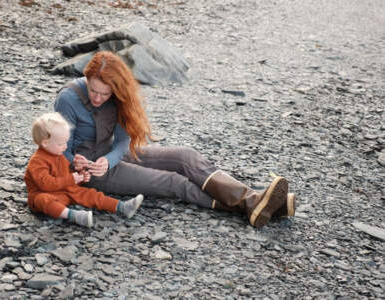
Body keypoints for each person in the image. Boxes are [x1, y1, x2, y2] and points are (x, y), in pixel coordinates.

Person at [54, 51, 296, 228]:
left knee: (185, 157)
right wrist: (76, 164)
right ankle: (260, 205)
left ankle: (254, 201)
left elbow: (121, 141)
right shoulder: (68, 98)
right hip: (89, 173)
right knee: (173, 182)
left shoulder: (118, 97)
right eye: (94, 91)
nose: (98, 98)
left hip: (110, 157)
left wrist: (109, 159)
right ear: (86, 79)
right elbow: (56, 148)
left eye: (105, 94)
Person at [24, 112, 144, 228]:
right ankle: (73, 215)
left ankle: (122, 207)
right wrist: (71, 179)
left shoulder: (58, 154)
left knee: (90, 194)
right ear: (45, 143)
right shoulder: (37, 162)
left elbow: (66, 176)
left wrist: (80, 175)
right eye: (61, 144)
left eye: (66, 142)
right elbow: (47, 185)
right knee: (43, 200)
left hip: (64, 191)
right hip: (44, 193)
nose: (65, 147)